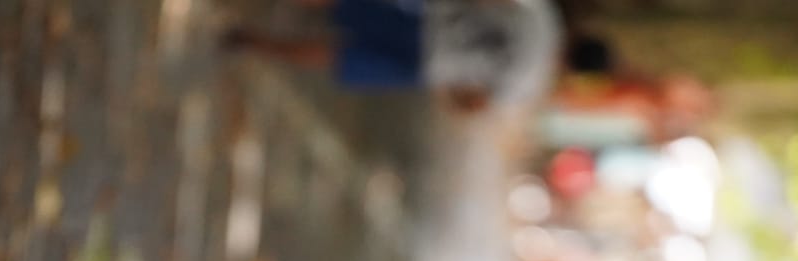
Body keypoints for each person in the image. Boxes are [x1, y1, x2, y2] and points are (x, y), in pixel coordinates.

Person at [226, 0, 564, 113]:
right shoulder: (529, 86)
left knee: (343, 5)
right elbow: (474, 104)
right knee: (338, 57)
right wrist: (448, 86)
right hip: (427, 66)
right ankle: (253, 43)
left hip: (431, 23)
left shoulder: (542, 16)